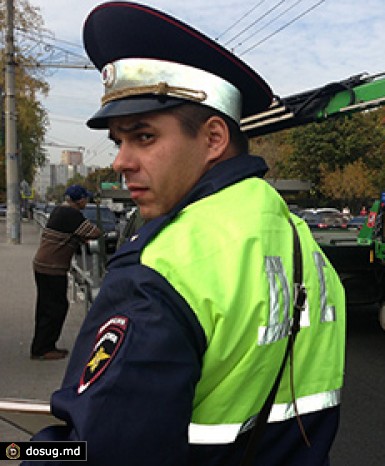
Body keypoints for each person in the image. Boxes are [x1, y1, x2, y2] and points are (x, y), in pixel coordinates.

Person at [25, 3, 346, 465]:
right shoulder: (299, 239)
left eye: (144, 137)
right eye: (119, 141)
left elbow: (96, 452)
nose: (120, 161)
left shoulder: (160, 268)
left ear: (214, 139)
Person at [30, 185, 102, 361]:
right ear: (79, 200)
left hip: (43, 265)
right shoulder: (72, 215)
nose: (88, 201)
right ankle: (43, 349)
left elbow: (71, 233)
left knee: (46, 307)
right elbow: (95, 232)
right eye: (86, 198)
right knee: (55, 308)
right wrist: (84, 237)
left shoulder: (60, 211)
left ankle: (42, 345)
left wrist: (78, 237)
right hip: (52, 268)